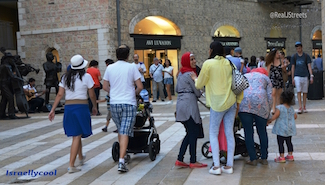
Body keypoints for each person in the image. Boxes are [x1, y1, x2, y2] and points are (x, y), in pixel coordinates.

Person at [192, 41, 244, 175]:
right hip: (231, 102)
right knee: (229, 133)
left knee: (213, 134)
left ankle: (216, 166)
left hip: (217, 103)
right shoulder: (229, 63)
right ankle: (229, 165)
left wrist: (195, 79)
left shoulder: (208, 64)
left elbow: (199, 84)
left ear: (211, 50)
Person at [48, 54, 97, 173]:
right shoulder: (86, 77)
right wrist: (95, 106)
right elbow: (91, 94)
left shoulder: (65, 77)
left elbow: (60, 94)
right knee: (77, 135)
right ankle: (71, 165)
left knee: (77, 132)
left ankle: (80, 157)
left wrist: (53, 109)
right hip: (81, 107)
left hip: (69, 107)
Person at [102, 44, 143, 173]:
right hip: (128, 103)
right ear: (127, 55)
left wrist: (113, 93)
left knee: (121, 129)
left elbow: (104, 86)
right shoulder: (132, 67)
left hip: (114, 103)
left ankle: (123, 154)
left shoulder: (110, 68)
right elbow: (140, 86)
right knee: (125, 131)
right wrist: (133, 93)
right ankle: (121, 161)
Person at [175, 52, 207, 169]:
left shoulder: (181, 74)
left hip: (181, 104)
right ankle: (193, 160)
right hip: (189, 105)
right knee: (193, 132)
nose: (194, 61)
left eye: (194, 59)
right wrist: (197, 80)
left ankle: (180, 158)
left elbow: (177, 89)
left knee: (189, 132)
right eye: (192, 59)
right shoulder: (191, 74)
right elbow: (198, 91)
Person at [238, 67, 273, 166]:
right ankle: (264, 158)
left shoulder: (244, 76)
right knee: (262, 131)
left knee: (248, 132)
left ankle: (253, 158)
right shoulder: (265, 78)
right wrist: (268, 113)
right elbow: (270, 97)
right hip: (260, 103)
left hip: (244, 104)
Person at [267, 90, 297, 163]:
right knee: (289, 142)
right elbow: (295, 116)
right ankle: (290, 155)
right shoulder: (291, 108)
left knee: (281, 143)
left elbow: (275, 116)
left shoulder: (280, 108)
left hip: (281, 129)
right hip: (289, 129)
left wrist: (269, 120)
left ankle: (281, 157)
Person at [291, 42, 313, 114]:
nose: (298, 50)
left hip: (305, 75)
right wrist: (293, 77)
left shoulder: (306, 56)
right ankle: (300, 106)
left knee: (305, 92)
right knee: (298, 90)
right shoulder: (294, 57)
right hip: (297, 75)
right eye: (297, 48)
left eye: (299, 48)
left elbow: (309, 66)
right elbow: (293, 67)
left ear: (302, 48)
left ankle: (304, 106)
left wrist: (311, 76)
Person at [266, 48, 287, 114]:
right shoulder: (270, 62)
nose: (279, 54)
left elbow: (285, 71)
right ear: (274, 54)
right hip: (273, 79)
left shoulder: (281, 61)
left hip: (280, 79)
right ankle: (273, 108)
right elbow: (268, 71)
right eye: (277, 53)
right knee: (273, 93)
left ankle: (278, 107)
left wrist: (284, 68)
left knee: (279, 94)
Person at [0, 54, 18, 119]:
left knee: (4, 99)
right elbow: (12, 76)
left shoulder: (3, 66)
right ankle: (11, 113)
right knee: (10, 97)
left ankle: (1, 113)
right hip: (5, 84)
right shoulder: (7, 66)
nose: (12, 60)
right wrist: (19, 78)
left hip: (3, 84)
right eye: (11, 59)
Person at [100, 59, 115, 133]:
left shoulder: (109, 70)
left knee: (112, 117)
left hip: (113, 102)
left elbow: (105, 86)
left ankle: (106, 127)